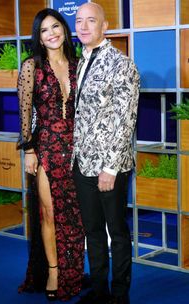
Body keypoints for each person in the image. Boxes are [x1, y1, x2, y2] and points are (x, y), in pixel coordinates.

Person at [72, 3, 140, 304]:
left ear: (105, 25)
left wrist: (110, 168)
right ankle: (99, 291)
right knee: (93, 232)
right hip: (82, 163)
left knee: (117, 233)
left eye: (91, 21)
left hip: (109, 167)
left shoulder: (121, 63)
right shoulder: (80, 61)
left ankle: (120, 295)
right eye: (79, 21)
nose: (84, 26)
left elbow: (125, 120)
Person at [17, 8, 85, 301]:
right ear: (39, 37)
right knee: (49, 214)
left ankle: (74, 270)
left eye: (55, 27)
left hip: (78, 149)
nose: (51, 33)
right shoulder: (32, 66)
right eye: (44, 30)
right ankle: (55, 272)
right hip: (47, 148)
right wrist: (29, 149)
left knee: (76, 216)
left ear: (64, 29)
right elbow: (24, 113)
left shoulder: (78, 64)